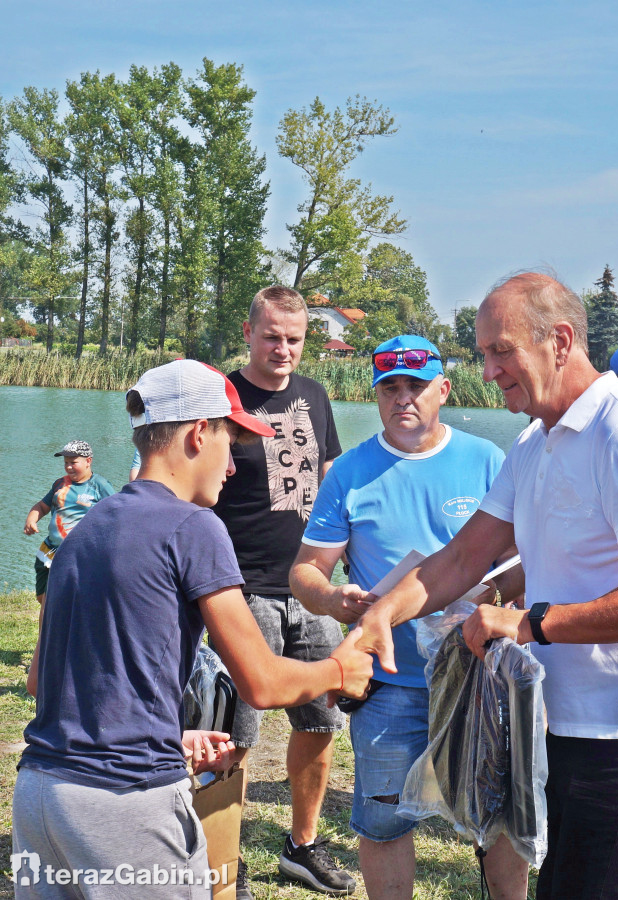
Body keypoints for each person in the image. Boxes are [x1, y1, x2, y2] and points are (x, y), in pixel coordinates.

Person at [355, 273, 618, 900]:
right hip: (560, 729)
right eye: (484, 353)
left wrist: (526, 622)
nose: (488, 371)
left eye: (501, 350)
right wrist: (383, 614)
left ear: (560, 340)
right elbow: (462, 558)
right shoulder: (532, 441)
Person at [13, 359, 374, 900]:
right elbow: (261, 683)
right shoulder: (194, 526)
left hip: (40, 796)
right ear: (199, 433)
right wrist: (339, 670)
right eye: (232, 444)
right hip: (126, 806)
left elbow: (42, 682)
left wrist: (163, 733)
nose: (232, 467)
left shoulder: (87, 531)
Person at [290, 334, 526, 900]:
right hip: (389, 681)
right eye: (389, 388)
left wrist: (491, 596)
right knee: (386, 821)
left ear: (444, 389)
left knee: (498, 820)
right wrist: (331, 598)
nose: (403, 399)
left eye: (416, 386)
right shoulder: (349, 471)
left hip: (477, 674)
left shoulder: (487, 460)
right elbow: (304, 571)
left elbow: (522, 563)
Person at [209, 285, 351, 897]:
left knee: (320, 723)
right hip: (241, 592)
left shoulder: (314, 395)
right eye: (272, 336)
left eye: (294, 339)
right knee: (231, 738)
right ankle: (224, 863)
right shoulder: (221, 397)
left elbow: (330, 482)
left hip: (311, 592)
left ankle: (301, 845)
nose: (284, 349)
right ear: (248, 332)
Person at [23, 440, 115, 604]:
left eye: (73, 462)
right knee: (42, 598)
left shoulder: (99, 485)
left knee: (63, 600)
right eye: (66, 462)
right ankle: (47, 629)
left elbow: (116, 514)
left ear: (88, 461)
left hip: (78, 554)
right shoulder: (60, 484)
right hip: (49, 549)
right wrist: (32, 518)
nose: (69, 467)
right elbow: (42, 506)